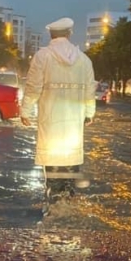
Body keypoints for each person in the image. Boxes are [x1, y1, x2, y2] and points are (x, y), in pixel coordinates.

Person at [20, 17, 97, 198]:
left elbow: (33, 87)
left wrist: (25, 111)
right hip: (73, 128)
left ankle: (53, 201)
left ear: (51, 35)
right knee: (70, 173)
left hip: (51, 125)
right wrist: (89, 113)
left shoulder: (42, 57)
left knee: (53, 172)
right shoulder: (84, 60)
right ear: (69, 33)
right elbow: (90, 91)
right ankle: (68, 201)